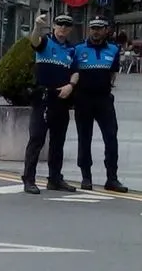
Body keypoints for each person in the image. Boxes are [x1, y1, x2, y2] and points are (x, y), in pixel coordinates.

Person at [21, 13, 78, 195]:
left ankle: (55, 179)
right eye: (60, 24)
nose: (63, 28)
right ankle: (29, 178)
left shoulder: (71, 49)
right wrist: (37, 26)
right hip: (44, 97)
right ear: (54, 26)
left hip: (62, 99)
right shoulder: (45, 42)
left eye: (67, 25)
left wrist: (71, 85)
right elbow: (35, 41)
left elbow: (76, 71)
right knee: (37, 138)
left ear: (70, 29)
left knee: (58, 141)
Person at [72, 17, 127, 193]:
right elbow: (73, 72)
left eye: (99, 28)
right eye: (93, 28)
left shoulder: (113, 49)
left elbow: (113, 74)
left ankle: (112, 178)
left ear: (106, 30)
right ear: (89, 30)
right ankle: (86, 177)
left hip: (104, 99)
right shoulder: (78, 49)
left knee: (111, 138)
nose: (95, 31)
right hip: (83, 99)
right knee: (84, 138)